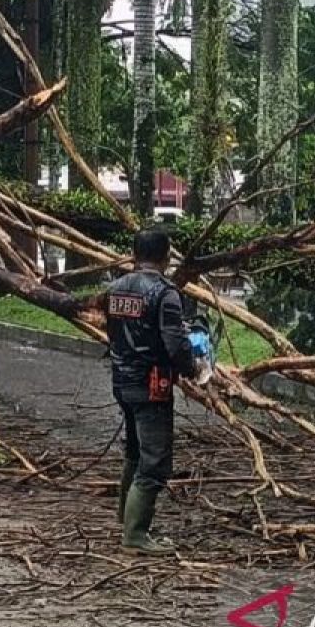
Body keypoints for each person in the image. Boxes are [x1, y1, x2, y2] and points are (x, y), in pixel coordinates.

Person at [105, 228, 198, 555]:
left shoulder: (115, 289)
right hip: (151, 386)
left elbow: (113, 334)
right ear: (166, 256)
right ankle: (135, 535)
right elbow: (174, 343)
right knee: (154, 461)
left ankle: (125, 519)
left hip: (122, 383)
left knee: (134, 451)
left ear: (134, 254)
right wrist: (193, 369)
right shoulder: (165, 294)